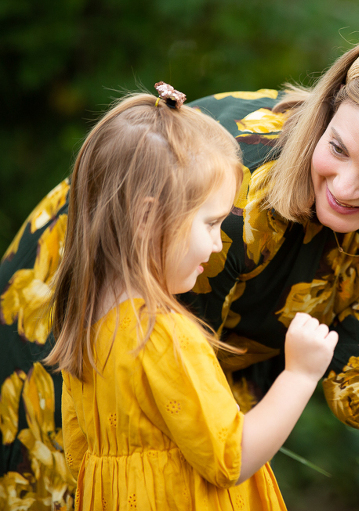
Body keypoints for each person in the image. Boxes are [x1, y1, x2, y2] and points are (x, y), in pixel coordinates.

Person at [0, 37, 359, 482]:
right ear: (328, 110)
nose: (345, 187)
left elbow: (354, 367)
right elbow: (161, 367)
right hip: (78, 320)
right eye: (337, 148)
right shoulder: (236, 194)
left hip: (201, 370)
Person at [41, 82, 341, 509]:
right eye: (211, 223)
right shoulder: (162, 333)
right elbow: (231, 459)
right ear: (148, 216)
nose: (219, 244)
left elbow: (78, 457)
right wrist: (300, 374)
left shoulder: (85, 324)